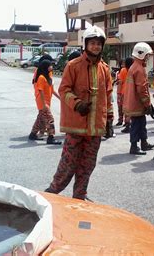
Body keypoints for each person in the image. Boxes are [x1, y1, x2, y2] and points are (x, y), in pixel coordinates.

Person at [45, 26, 113, 201]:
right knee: (68, 164)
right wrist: (77, 104)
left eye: (98, 43)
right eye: (92, 43)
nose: (96, 46)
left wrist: (109, 120)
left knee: (87, 165)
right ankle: (51, 194)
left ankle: (79, 196)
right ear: (85, 45)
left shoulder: (105, 69)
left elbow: (108, 95)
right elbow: (64, 89)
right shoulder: (73, 66)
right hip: (76, 125)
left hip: (95, 127)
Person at [123, 42, 154, 155]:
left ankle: (144, 143)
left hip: (134, 102)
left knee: (141, 124)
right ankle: (134, 146)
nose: (148, 58)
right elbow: (142, 90)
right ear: (141, 54)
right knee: (137, 125)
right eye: (147, 55)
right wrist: (148, 104)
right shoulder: (139, 69)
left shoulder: (134, 67)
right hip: (137, 103)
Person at [29, 59, 61, 145]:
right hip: (43, 103)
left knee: (40, 119)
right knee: (50, 119)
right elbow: (40, 91)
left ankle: (32, 134)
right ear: (46, 67)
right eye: (50, 65)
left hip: (46, 103)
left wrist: (60, 98)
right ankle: (51, 137)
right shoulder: (41, 78)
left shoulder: (48, 77)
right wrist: (44, 104)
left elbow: (52, 91)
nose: (52, 66)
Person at [120, 57, 134, 134]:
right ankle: (130, 124)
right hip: (132, 92)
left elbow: (120, 82)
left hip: (124, 91)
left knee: (125, 109)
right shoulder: (134, 70)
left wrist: (119, 93)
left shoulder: (123, 70)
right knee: (131, 109)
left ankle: (127, 124)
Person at [115, 59, 126, 126]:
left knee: (125, 106)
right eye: (122, 64)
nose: (123, 65)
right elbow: (118, 81)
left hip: (125, 91)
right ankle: (120, 119)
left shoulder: (128, 71)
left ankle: (126, 121)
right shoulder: (118, 72)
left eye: (124, 64)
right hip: (119, 91)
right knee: (120, 106)